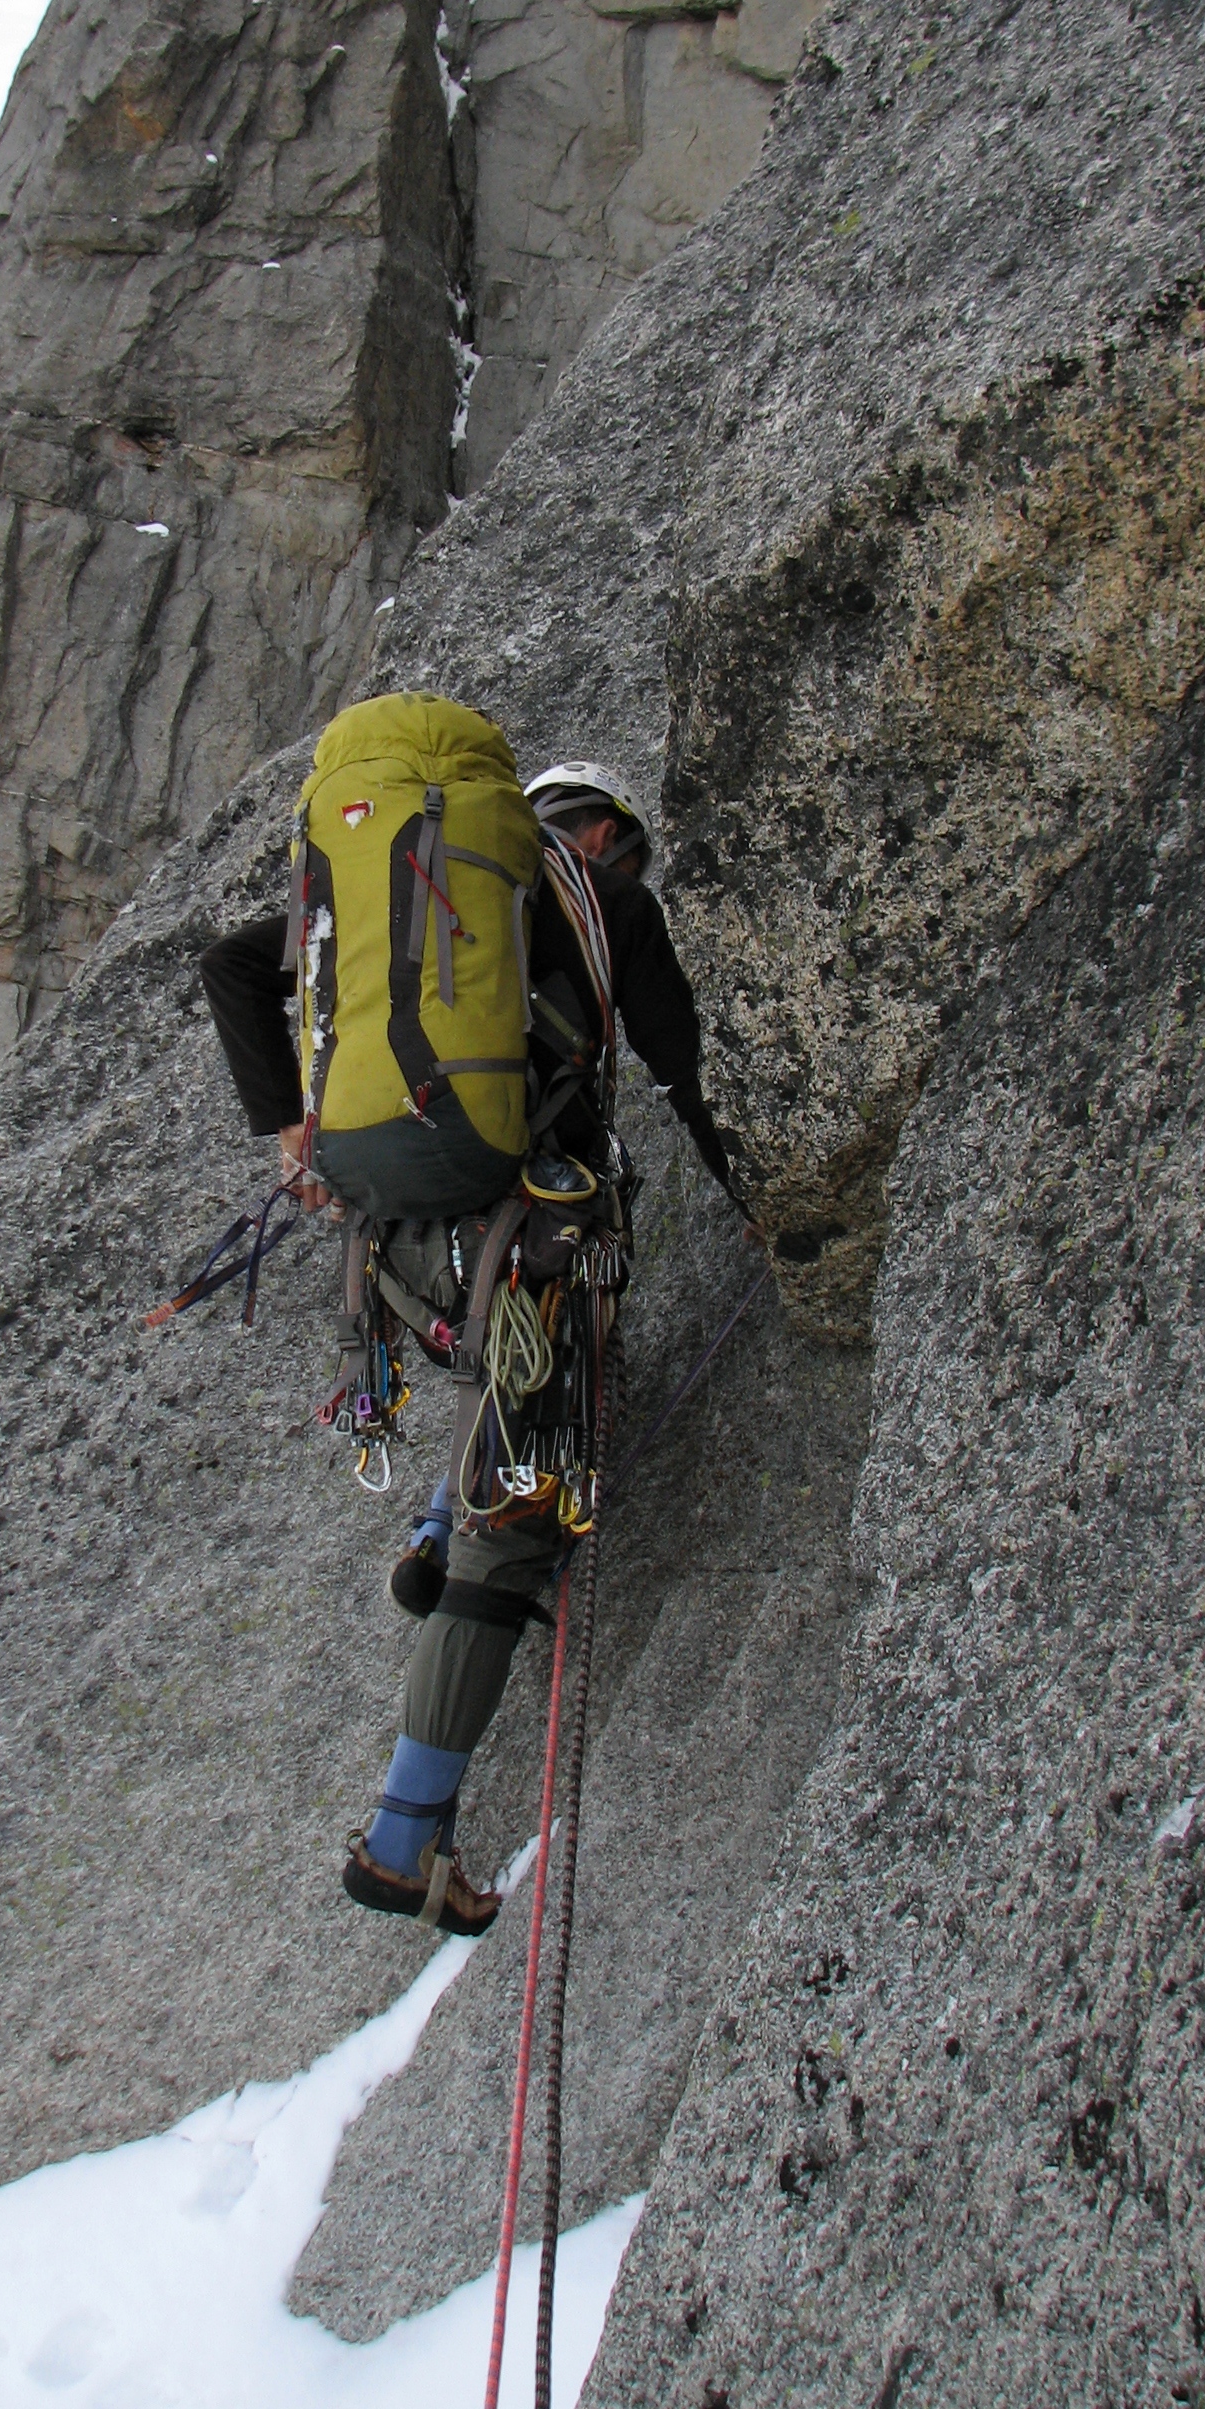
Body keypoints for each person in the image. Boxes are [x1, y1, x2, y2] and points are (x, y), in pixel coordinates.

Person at [200, 755, 744, 1934]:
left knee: (501, 1357)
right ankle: (405, 1843)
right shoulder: (604, 895)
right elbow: (684, 1066)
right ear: (601, 834)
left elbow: (233, 965)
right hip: (528, 1231)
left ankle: (435, 1526)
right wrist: (766, 1207)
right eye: (632, 854)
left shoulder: (402, 883)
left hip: (394, 1244)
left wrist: (288, 1128)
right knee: (522, 1502)